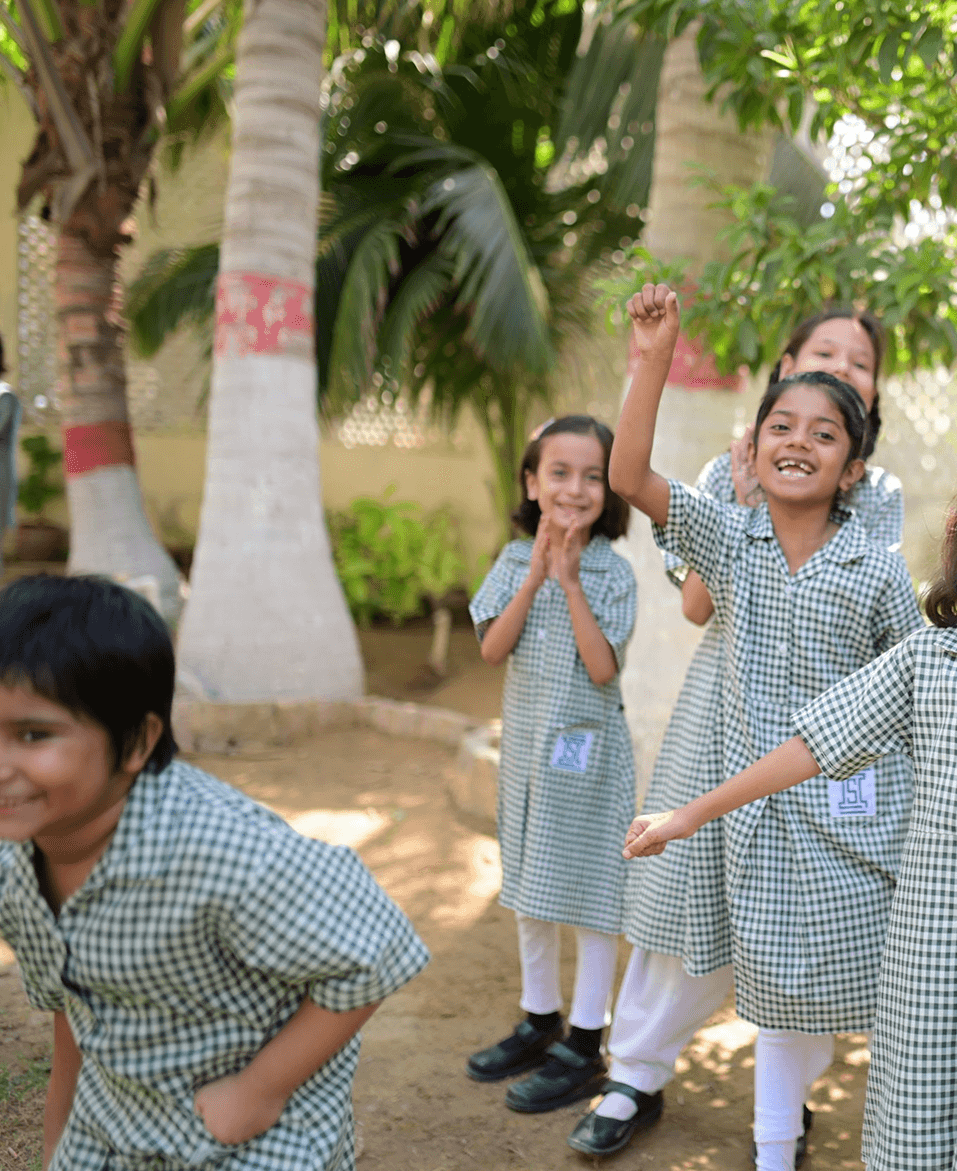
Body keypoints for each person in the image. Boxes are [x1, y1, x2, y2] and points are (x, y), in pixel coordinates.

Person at [626, 418, 957, 1171]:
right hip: (923, 955)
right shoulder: (930, 658)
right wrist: (690, 812)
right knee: (914, 1128)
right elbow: (813, 745)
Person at [586, 284, 920, 1167]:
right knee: (685, 908)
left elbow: (899, 664)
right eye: (823, 359)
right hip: (723, 727)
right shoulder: (729, 508)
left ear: (856, 450)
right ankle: (635, 1073)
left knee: (808, 945)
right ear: (778, 374)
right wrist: (652, 363)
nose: (839, 376)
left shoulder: (874, 515)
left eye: (859, 369)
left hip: (834, 769)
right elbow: (669, 546)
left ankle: (783, 1118)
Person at [0, 575, 429, 1169]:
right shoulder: (16, 864)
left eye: (32, 735)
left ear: (136, 743)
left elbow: (378, 947)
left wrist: (260, 1090)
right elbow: (73, 1011)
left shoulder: (224, 851)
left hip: (254, 1129)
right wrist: (58, 1146)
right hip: (121, 1112)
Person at [462, 416, 639, 1116]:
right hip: (529, 756)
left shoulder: (613, 572)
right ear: (532, 483)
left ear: (611, 488)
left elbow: (602, 668)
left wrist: (569, 581)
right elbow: (490, 647)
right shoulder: (510, 559)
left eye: (593, 475)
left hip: (591, 762)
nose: (575, 487)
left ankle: (587, 1038)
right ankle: (540, 1018)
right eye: (558, 472)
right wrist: (536, 573)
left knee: (592, 897)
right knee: (530, 887)